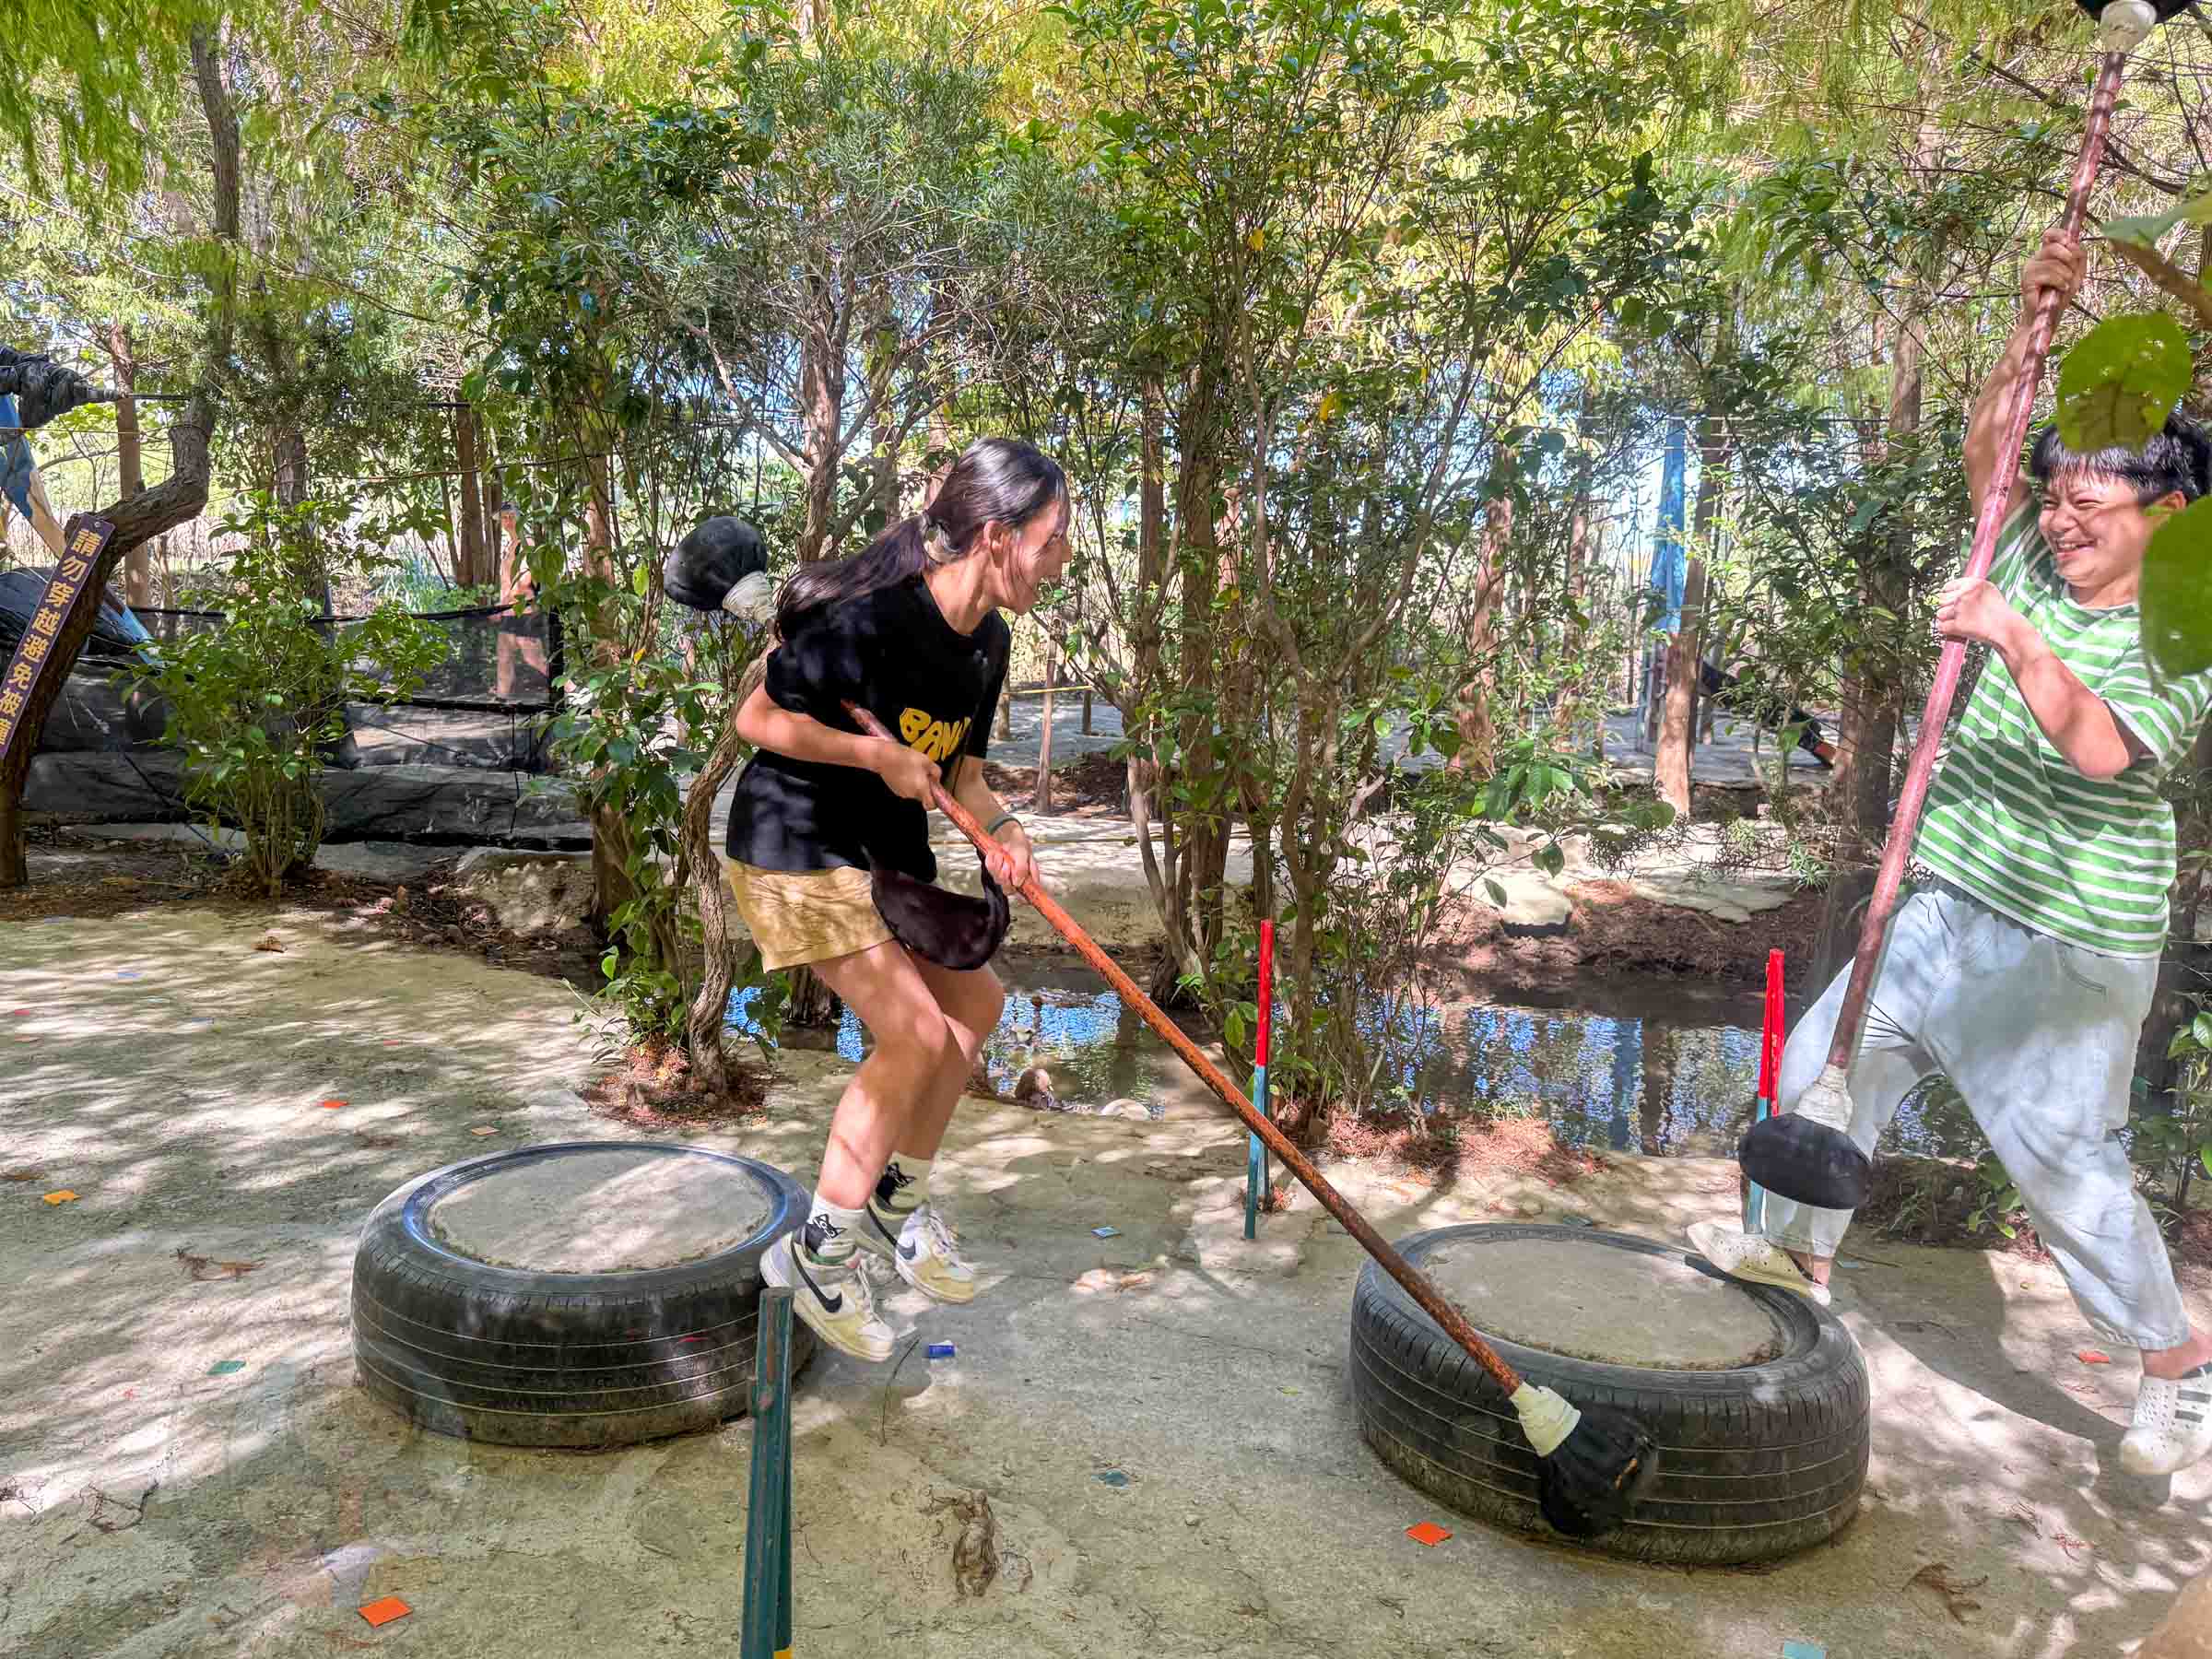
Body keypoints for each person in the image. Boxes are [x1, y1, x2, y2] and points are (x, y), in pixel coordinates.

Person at [1688, 227, 2212, 1477]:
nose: (2060, 521)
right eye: (2056, 499)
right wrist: (2032, 323)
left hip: (2072, 946)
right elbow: (1992, 458)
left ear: (2172, 511)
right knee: (1823, 1071)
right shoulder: (2031, 542)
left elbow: (2101, 749)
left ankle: (2177, 1374)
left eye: (2091, 505)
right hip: (1947, 902)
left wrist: (2012, 638)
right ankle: (1795, 1281)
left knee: (2067, 1176)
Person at [728, 437, 1070, 1361]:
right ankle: (818, 1255)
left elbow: (962, 768)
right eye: (1053, 539)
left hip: (882, 855)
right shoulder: (875, 617)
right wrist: (871, 754)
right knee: (914, 1036)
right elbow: (755, 718)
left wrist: (1006, 832)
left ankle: (896, 1206)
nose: (1063, 560)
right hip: (794, 843)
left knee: (976, 1005)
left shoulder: (987, 644)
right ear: (995, 537)